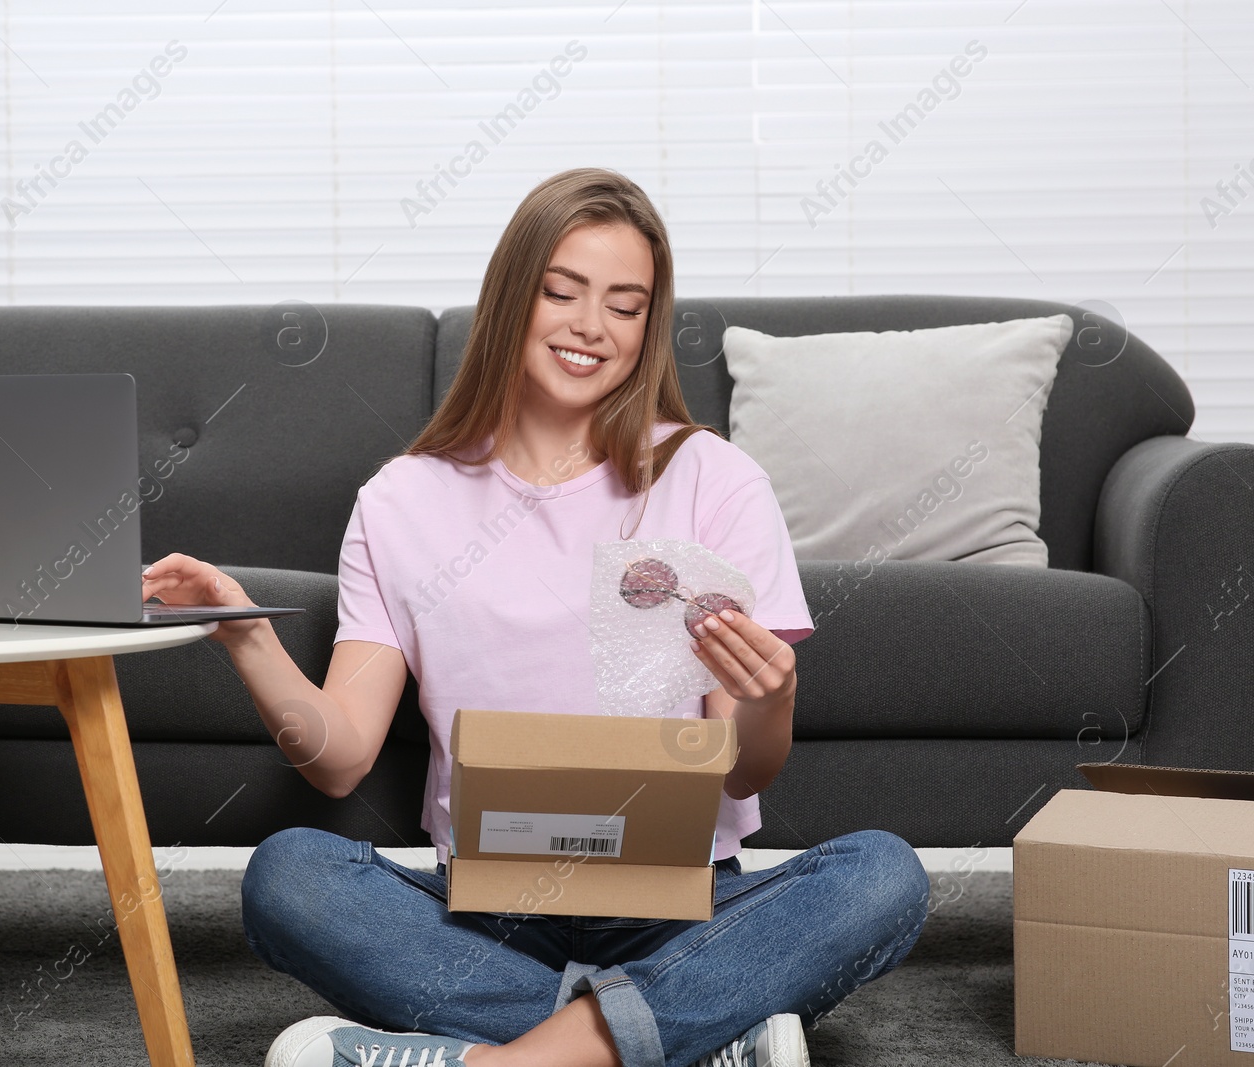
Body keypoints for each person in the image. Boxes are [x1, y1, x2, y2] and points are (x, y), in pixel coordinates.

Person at [140, 168, 929, 1067]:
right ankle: (690, 1035)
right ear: (514, 296)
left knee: (883, 875)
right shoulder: (402, 499)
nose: (592, 326)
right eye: (563, 292)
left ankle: (499, 1058)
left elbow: (747, 769)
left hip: (679, 908)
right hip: (483, 912)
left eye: (626, 306)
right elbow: (340, 756)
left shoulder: (713, 478)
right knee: (289, 878)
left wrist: (770, 694)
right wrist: (248, 633)